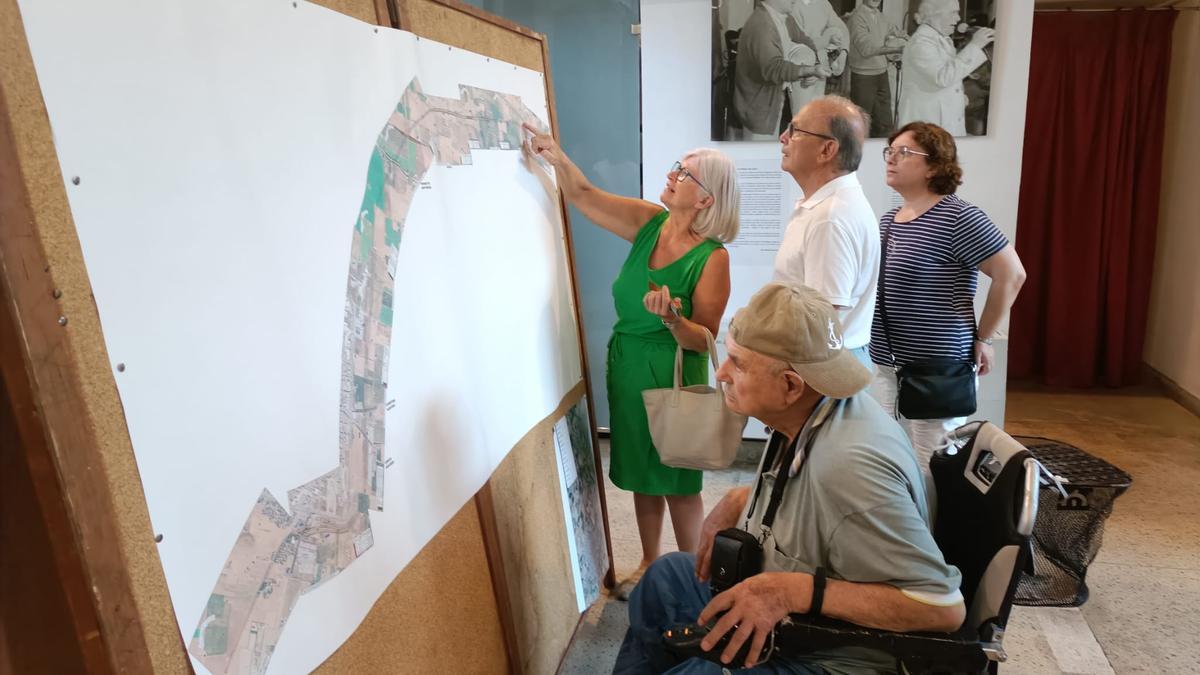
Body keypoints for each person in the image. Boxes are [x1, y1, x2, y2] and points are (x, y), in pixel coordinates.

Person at [614, 283, 964, 674]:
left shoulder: (850, 468)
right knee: (665, 579)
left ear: (790, 386)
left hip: (831, 654)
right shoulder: (817, 408)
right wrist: (740, 497)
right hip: (793, 607)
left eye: (738, 364)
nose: (722, 373)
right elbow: (808, 491)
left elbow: (941, 607)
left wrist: (789, 591)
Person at [522, 125, 740, 599]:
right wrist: (557, 156)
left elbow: (703, 339)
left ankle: (695, 580)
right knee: (642, 474)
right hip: (626, 365)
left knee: (678, 481)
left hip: (674, 369)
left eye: (685, 173)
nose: (672, 174)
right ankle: (649, 561)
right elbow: (583, 194)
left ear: (706, 200)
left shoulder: (712, 257)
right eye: (678, 167)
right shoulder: (648, 224)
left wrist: (672, 321)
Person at [868, 122, 1026, 489]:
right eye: (889, 151)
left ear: (936, 166)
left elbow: (1012, 275)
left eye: (904, 153)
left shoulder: (959, 217)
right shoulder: (891, 220)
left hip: (937, 370)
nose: (891, 159)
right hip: (887, 365)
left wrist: (984, 337)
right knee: (890, 462)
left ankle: (932, 545)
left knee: (930, 471)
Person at [773, 96, 879, 371]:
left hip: (821, 368)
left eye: (795, 131)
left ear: (827, 150)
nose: (783, 137)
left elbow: (821, 320)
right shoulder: (830, 206)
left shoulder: (830, 217)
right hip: (825, 362)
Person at [734, 0, 831, 140]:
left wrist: (815, 62)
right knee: (760, 153)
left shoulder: (784, 18)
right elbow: (773, 68)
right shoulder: (762, 24)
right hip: (758, 110)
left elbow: (805, 40)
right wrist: (809, 71)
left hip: (773, 102)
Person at [896, 0, 994, 137]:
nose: (959, 18)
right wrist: (975, 46)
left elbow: (948, 76)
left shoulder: (941, 39)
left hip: (939, 124)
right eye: (954, 12)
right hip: (926, 127)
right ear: (934, 14)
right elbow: (943, 77)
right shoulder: (920, 43)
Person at [847, 0, 908, 137]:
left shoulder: (881, 16)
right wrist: (896, 49)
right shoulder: (857, 17)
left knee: (885, 124)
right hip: (863, 77)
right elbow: (866, 49)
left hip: (882, 73)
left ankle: (882, 155)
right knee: (860, 124)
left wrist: (905, 38)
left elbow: (896, 31)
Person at [785, 0, 850, 113]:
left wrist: (843, 52)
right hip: (802, 70)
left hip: (820, 68)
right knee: (802, 119)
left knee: (816, 117)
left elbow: (841, 28)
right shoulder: (791, 4)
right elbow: (795, 41)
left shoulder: (823, 3)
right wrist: (812, 68)